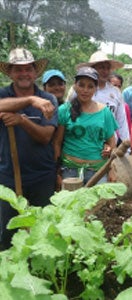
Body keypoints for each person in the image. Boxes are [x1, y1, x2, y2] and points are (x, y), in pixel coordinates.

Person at [0, 48, 58, 249]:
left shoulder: (48, 100)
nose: (24, 73)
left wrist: (21, 121)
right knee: (8, 231)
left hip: (41, 176)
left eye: (28, 69)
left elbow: (45, 137)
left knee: (42, 231)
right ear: (10, 73)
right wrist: (30, 100)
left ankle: (40, 274)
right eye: (18, 69)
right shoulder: (3, 96)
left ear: (35, 72)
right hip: (8, 175)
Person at [54, 67, 118, 185]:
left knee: (97, 203)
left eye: (90, 86)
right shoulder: (64, 110)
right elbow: (57, 143)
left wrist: (111, 169)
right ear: (74, 86)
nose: (85, 90)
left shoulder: (105, 112)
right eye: (81, 85)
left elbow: (112, 142)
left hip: (97, 171)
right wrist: (56, 172)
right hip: (70, 171)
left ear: (96, 88)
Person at [71, 50, 130, 143]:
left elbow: (122, 121)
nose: (105, 71)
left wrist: (126, 146)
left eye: (108, 68)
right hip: (83, 141)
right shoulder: (79, 90)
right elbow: (70, 115)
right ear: (93, 69)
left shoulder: (116, 93)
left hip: (109, 143)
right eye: (101, 67)